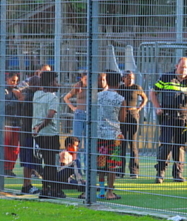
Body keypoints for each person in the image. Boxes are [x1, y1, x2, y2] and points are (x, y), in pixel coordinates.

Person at [150, 56, 187, 184]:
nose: (183, 70)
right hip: (168, 117)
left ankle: (178, 174)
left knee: (180, 146)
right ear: (176, 66)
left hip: (185, 119)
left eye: (186, 68)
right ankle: (160, 173)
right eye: (181, 67)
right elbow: (153, 92)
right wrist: (158, 108)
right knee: (166, 145)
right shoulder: (166, 78)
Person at [32, 70, 63, 199]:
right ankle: (54, 189)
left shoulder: (37, 94)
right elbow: (50, 116)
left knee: (46, 162)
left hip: (39, 134)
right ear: (51, 83)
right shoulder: (53, 97)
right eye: (56, 81)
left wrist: (37, 127)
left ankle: (45, 189)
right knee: (51, 163)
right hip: (49, 133)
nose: (58, 84)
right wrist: (41, 126)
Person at [96, 71, 125, 200]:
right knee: (112, 164)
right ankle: (110, 192)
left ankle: (101, 190)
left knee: (101, 163)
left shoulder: (97, 96)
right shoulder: (120, 99)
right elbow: (122, 118)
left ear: (106, 81)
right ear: (119, 83)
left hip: (99, 133)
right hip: (114, 134)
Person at [17, 70, 43, 195]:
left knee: (31, 159)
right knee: (28, 159)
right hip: (29, 132)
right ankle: (26, 185)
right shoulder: (31, 98)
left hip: (27, 132)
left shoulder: (28, 96)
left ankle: (27, 184)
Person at [118, 70, 146, 178]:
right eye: (128, 77)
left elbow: (145, 98)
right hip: (122, 116)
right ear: (123, 78)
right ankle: (120, 171)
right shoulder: (120, 88)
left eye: (132, 78)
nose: (130, 80)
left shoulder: (136, 88)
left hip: (133, 114)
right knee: (122, 143)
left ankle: (134, 172)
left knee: (133, 143)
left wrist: (139, 109)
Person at [62, 71, 89, 184]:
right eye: (85, 79)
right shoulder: (78, 87)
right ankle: (76, 167)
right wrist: (73, 108)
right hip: (79, 114)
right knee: (76, 142)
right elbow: (66, 98)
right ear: (82, 79)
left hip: (89, 115)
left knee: (88, 142)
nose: (87, 81)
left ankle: (88, 168)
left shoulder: (95, 87)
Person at [2, 72, 23, 178]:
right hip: (7, 123)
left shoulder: (18, 91)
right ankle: (5, 168)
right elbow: (4, 105)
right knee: (6, 147)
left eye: (16, 81)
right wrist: (17, 101)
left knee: (15, 148)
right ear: (7, 80)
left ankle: (10, 168)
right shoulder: (4, 91)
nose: (15, 83)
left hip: (17, 123)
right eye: (13, 81)